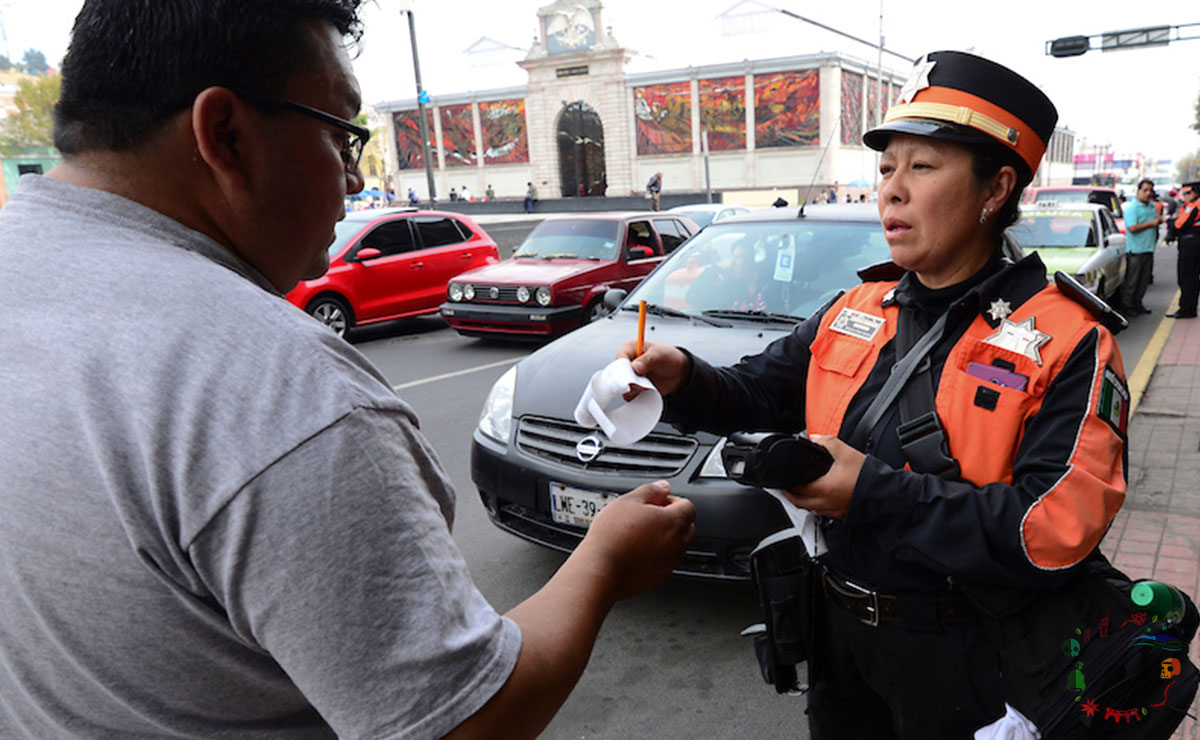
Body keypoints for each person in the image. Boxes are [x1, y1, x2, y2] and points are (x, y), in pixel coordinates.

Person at [0, 2, 696, 739]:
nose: (357, 180)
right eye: (340, 135)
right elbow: (465, 722)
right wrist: (605, 564)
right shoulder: (281, 391)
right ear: (225, 135)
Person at [618, 50, 1126, 738]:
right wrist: (680, 375)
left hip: (968, 661)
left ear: (995, 188)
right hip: (839, 640)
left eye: (922, 167)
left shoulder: (1071, 337)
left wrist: (874, 493)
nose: (891, 189)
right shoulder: (858, 304)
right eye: (886, 168)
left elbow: (1051, 534)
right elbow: (756, 393)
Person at [1118, 179, 1160, 316]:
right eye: (1145, 190)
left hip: (1148, 249)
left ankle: (1138, 303)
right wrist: (1151, 223)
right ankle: (1127, 305)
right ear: (1138, 191)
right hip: (1135, 251)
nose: (1148, 193)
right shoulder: (1132, 208)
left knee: (1143, 281)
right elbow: (1132, 228)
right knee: (1132, 281)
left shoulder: (1151, 207)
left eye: (1150, 190)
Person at [1168, 181, 1200, 318]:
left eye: (1186, 193)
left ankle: (1187, 309)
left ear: (1192, 193)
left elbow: (1179, 225)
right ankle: (1188, 308)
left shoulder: (1195, 205)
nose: (1184, 197)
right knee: (1191, 278)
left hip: (1191, 247)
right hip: (1193, 245)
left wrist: (1169, 221)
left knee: (1187, 278)